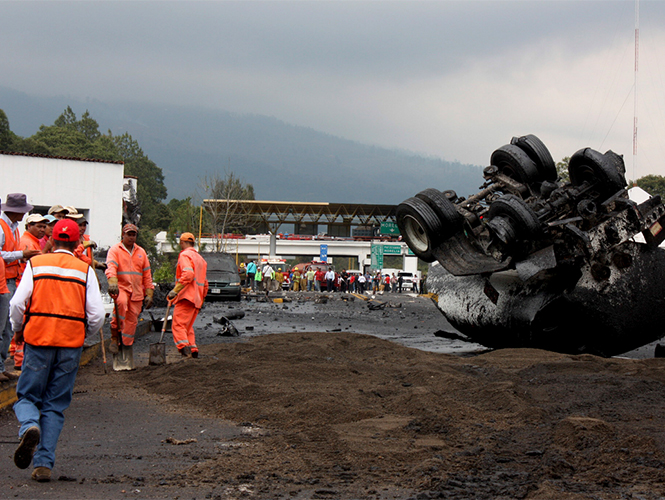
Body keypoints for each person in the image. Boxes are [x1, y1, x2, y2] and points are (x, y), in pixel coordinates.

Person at [10, 218, 105, 482]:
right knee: (54, 405)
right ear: (77, 242)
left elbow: (18, 304)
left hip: (38, 341)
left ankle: (29, 426)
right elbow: (96, 315)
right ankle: (43, 464)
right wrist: (83, 333)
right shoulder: (84, 270)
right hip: (69, 346)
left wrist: (18, 329)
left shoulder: (36, 263)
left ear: (52, 239)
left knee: (28, 397)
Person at [0, 194, 40, 383]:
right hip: (3, 280)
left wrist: (20, 256)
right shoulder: (2, 227)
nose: (24, 215)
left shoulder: (12, 228)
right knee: (2, 325)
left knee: (7, 327)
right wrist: (20, 254)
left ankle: (1, 366)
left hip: (10, 278)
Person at [105, 224, 154, 354]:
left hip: (136, 292)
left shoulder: (141, 252)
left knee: (132, 321)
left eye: (134, 235)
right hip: (121, 288)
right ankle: (115, 338)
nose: (131, 237)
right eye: (129, 234)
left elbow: (147, 275)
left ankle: (126, 347)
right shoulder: (115, 250)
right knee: (121, 305)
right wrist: (113, 282)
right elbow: (111, 267)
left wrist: (149, 293)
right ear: (123, 235)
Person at [167, 232, 208, 358]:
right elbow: (205, 283)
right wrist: (202, 298)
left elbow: (188, 274)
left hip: (186, 297)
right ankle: (193, 349)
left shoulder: (185, 255)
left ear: (182, 242)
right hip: (197, 298)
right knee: (187, 326)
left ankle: (184, 350)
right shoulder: (200, 259)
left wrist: (176, 290)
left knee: (178, 324)